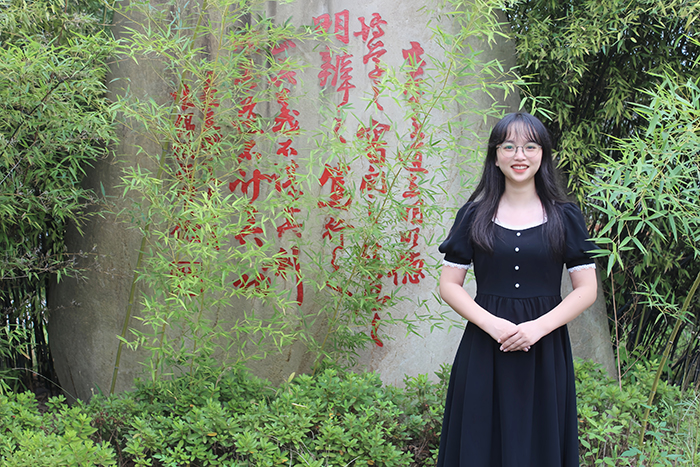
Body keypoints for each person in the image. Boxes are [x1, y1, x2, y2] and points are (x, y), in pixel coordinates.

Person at [436, 112, 597, 467]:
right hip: (484, 345)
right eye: (508, 146)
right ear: (495, 155)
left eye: (530, 146)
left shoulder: (566, 216)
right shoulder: (473, 215)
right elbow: (449, 284)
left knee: (541, 440)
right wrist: (492, 324)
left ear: (543, 154)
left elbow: (586, 289)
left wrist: (537, 328)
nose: (519, 155)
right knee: (479, 438)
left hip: (545, 349)